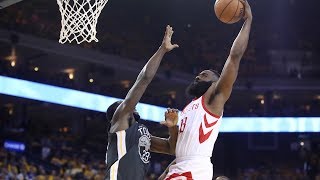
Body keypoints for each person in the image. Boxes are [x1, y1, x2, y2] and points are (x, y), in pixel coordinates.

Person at [163, 1, 253, 179]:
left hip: (194, 169)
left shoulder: (214, 98)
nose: (197, 77)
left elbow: (234, 57)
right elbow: (173, 149)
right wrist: (169, 129)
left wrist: (248, 20)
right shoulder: (189, 107)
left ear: (217, 82)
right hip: (178, 166)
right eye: (198, 75)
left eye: (204, 75)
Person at [105, 25, 179, 180]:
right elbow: (144, 79)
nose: (131, 104)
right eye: (123, 103)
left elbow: (170, 148)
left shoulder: (139, 133)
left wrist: (172, 128)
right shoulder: (120, 121)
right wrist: (162, 49)